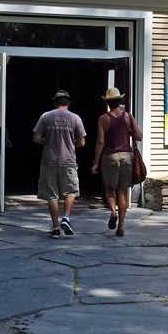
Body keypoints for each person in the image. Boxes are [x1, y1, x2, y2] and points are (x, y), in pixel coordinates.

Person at [33, 90, 86, 238]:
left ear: (55, 102)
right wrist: (70, 142)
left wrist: (47, 140)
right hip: (68, 160)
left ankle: (55, 228)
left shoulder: (46, 116)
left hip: (49, 160)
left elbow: (36, 138)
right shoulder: (75, 118)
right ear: (68, 103)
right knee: (70, 192)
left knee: (52, 196)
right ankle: (66, 218)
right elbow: (82, 142)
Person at [91, 87, 142, 237]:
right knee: (122, 192)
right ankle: (121, 227)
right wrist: (130, 131)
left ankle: (113, 212)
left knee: (110, 189)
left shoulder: (103, 119)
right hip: (127, 157)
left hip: (110, 157)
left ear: (107, 103)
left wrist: (95, 162)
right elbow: (139, 136)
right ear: (119, 101)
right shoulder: (128, 116)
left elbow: (100, 142)